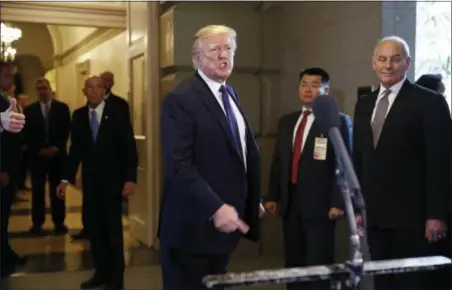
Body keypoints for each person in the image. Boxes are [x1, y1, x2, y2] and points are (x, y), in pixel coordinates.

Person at [159, 24, 264, 290]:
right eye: (214, 49)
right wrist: (215, 208)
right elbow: (180, 167)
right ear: (197, 59)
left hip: (220, 234)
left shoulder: (230, 93)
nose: (223, 55)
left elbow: (236, 152)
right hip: (192, 232)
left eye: (228, 48)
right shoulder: (181, 100)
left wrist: (250, 196)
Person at [353, 36, 451, 289]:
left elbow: (440, 163)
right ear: (373, 63)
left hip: (414, 220)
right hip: (374, 217)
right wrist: (356, 206)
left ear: (407, 63)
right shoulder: (363, 105)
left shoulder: (430, 102)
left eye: (396, 59)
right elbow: (360, 159)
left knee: (413, 284)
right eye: (382, 59)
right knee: (383, 283)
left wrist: (436, 214)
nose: (388, 65)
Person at [265, 67, 352, 290]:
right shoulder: (287, 121)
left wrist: (338, 202)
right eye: (304, 84)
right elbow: (278, 162)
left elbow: (344, 164)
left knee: (318, 264)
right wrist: (272, 195)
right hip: (290, 203)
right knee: (294, 263)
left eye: (314, 85)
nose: (308, 89)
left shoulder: (338, 122)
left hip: (321, 206)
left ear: (326, 90)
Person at [56, 75, 138, 290]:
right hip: (90, 185)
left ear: (104, 90)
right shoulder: (79, 116)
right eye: (90, 88)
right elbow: (75, 151)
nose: (94, 91)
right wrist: (65, 179)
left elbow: (128, 148)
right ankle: (101, 273)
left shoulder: (118, 113)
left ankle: (116, 280)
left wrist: (130, 178)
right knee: (95, 231)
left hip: (113, 183)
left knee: (113, 233)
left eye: (98, 87)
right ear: (84, 91)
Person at [24, 77, 71, 236]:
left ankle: (59, 222)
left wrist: (56, 147)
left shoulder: (62, 108)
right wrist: (38, 150)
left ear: (50, 89)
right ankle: (37, 223)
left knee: (57, 191)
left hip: (57, 157)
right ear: (36, 91)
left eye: (44, 88)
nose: (42, 91)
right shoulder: (29, 111)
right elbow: (27, 134)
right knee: (37, 192)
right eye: (39, 89)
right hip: (37, 158)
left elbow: (66, 130)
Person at [0, 61, 27, 279]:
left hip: (9, 167)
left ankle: (5, 253)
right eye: (7, 76)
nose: (11, 80)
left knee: (4, 215)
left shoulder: (6, 100)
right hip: (2, 170)